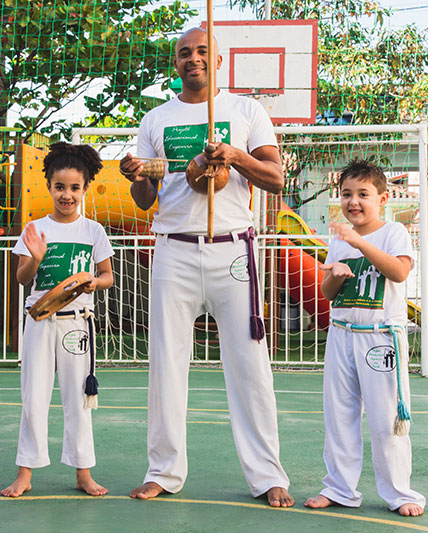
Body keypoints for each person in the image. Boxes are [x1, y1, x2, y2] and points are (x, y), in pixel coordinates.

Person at [119, 27, 293, 508]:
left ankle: (267, 475)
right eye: (183, 53)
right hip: (173, 246)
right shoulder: (157, 118)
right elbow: (146, 199)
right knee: (166, 365)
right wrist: (137, 176)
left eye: (201, 52)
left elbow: (276, 179)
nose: (192, 59)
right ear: (175, 64)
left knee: (249, 365)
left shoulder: (245, 110)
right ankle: (164, 471)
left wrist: (234, 156)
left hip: (233, 249)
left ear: (217, 61)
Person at [305, 160, 426, 517]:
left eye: (363, 194)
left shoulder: (393, 233)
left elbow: (400, 272)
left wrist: (358, 243)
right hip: (342, 336)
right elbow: (328, 293)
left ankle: (400, 492)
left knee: (386, 417)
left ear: (383, 198)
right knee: (339, 415)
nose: (353, 202)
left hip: (379, 339)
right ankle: (340, 487)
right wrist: (338, 274)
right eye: (346, 194)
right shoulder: (338, 239)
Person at [1, 142, 114, 498]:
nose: (67, 195)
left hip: (77, 323)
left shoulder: (93, 230)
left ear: (85, 189)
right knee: (33, 396)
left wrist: (94, 282)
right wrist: (35, 258)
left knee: (77, 399)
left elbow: (107, 275)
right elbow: (22, 279)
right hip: (39, 321)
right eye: (60, 187)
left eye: (74, 188)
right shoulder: (35, 229)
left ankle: (83, 472)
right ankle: (25, 473)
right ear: (48, 186)